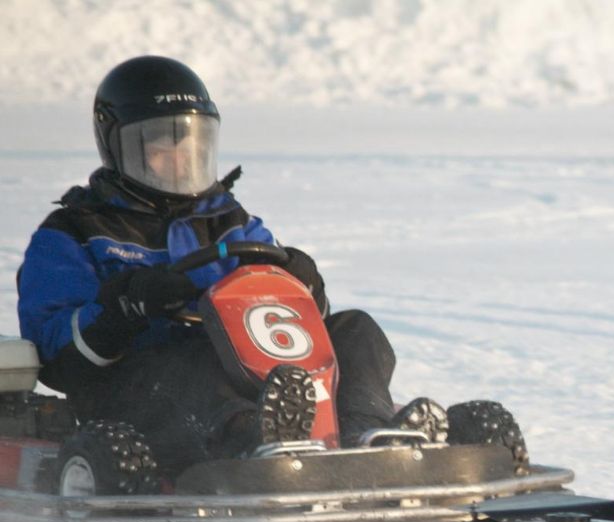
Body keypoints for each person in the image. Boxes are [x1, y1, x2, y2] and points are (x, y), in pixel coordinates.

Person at [15, 55, 444, 475]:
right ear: (118, 146)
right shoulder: (74, 232)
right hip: (137, 390)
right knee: (190, 359)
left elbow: (290, 328)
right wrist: (124, 309)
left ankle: (365, 430)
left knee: (355, 329)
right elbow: (56, 354)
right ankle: (254, 442)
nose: (179, 159)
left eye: (190, 144)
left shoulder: (231, 221)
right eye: (161, 146)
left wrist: (306, 285)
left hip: (242, 372)